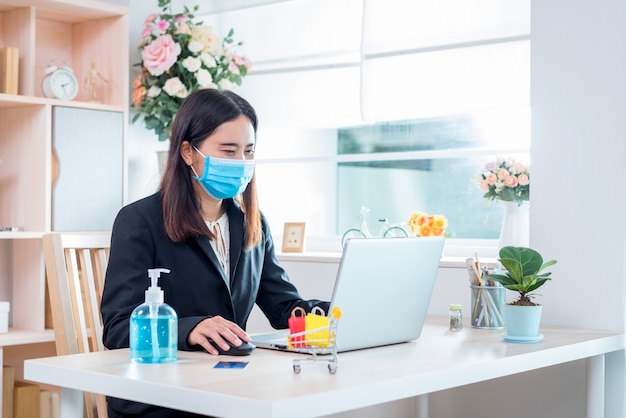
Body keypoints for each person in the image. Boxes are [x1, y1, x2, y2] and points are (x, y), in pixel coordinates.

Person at [100, 88, 329, 418]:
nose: (241, 163)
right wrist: (190, 328)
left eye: (249, 151)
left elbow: (283, 307)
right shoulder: (139, 221)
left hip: (229, 390)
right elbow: (118, 327)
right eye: (228, 150)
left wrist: (331, 314)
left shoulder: (252, 223)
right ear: (188, 152)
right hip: (161, 400)